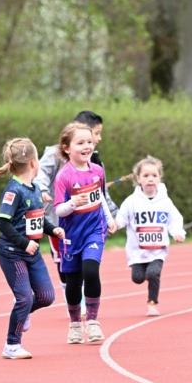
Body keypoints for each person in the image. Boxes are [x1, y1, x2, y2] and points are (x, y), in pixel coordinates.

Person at [0, 138, 64, 359]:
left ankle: (22, 308)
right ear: (32, 162)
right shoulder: (14, 191)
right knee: (25, 298)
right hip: (13, 254)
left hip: (33, 253)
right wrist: (24, 243)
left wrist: (52, 230)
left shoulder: (35, 187)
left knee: (46, 296)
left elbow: (36, 219)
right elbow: (2, 222)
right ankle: (11, 345)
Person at [37, 110, 127, 287]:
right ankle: (71, 295)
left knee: (88, 265)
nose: (98, 139)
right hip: (60, 221)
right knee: (65, 269)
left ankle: (85, 301)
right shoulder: (54, 154)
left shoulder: (96, 162)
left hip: (89, 222)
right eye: (97, 133)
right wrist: (41, 189)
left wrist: (115, 216)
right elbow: (41, 173)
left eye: (93, 139)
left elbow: (101, 193)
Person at [53, 122, 117, 343]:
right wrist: (72, 203)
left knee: (91, 271)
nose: (87, 146)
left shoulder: (97, 170)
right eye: (80, 142)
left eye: (89, 142)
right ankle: (74, 325)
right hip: (72, 235)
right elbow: (58, 209)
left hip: (94, 231)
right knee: (73, 281)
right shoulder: (64, 176)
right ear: (67, 148)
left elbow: (100, 197)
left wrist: (109, 219)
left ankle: (92, 321)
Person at [115, 156, 185, 315]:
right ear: (138, 179)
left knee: (153, 273)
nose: (150, 179)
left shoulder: (165, 201)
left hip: (157, 250)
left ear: (160, 178)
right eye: (146, 176)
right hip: (137, 251)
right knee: (137, 278)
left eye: (154, 175)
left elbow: (174, 218)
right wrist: (115, 225)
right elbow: (122, 218)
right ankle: (142, 273)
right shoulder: (131, 201)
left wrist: (177, 233)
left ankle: (152, 303)